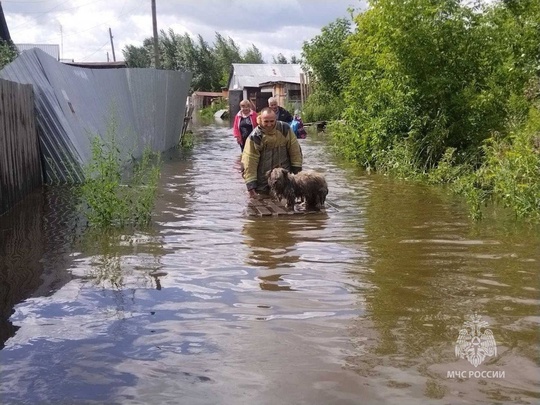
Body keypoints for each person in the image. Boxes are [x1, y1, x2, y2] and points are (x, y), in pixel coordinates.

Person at [241, 107, 303, 197]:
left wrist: (297, 172)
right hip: (263, 180)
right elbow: (249, 162)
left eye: (272, 121)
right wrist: (251, 186)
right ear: (260, 120)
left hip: (284, 177)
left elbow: (295, 151)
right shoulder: (255, 136)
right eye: (266, 121)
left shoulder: (285, 129)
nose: (269, 124)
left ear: (276, 119)